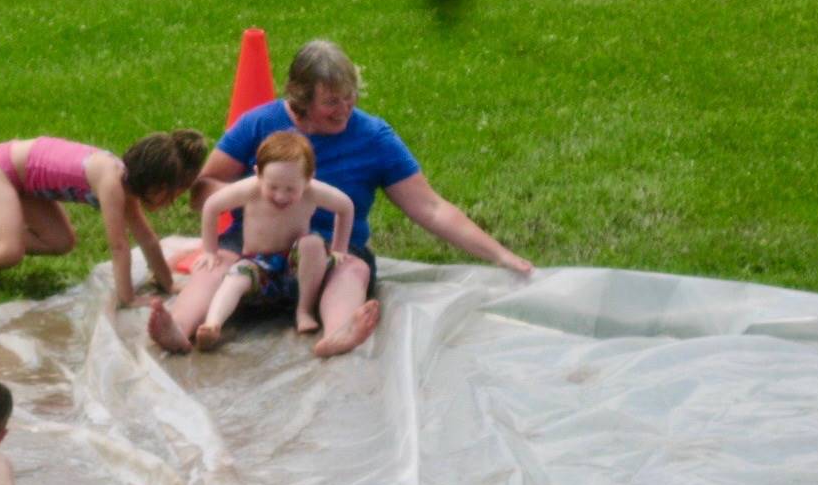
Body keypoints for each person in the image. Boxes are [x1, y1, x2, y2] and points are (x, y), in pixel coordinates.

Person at [150, 39, 533, 358]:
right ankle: (178, 329)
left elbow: (430, 207)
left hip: (330, 248)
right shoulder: (260, 123)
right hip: (254, 245)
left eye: (350, 98)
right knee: (212, 265)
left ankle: (337, 333)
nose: (345, 110)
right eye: (332, 102)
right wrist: (256, 198)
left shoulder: (374, 137)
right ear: (300, 101)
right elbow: (204, 187)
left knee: (353, 270)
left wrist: (499, 254)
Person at [0, 130, 208, 305]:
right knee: (10, 252)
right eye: (172, 194)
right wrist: (127, 298)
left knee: (61, 241)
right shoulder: (110, 181)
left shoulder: (126, 187)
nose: (172, 203)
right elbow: (119, 247)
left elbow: (147, 239)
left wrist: (168, 283)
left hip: (27, 184)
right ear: (155, 185)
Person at [177, 131, 354, 350]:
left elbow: (345, 206)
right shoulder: (250, 189)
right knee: (236, 276)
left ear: (309, 178)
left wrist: (339, 248)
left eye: (291, 189)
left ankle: (304, 310)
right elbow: (212, 206)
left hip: (296, 270)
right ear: (258, 174)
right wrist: (210, 251)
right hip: (258, 267)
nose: (281, 196)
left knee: (312, 244)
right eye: (273, 187)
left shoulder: (313, 191)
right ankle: (213, 324)